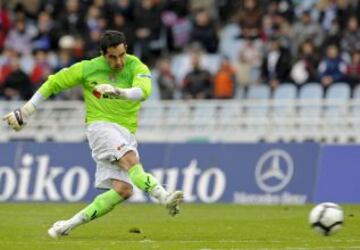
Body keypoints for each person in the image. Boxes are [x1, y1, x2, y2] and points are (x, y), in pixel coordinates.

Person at [2, 30, 183, 238]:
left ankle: (66, 226)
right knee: (130, 161)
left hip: (126, 132)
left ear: (126, 49)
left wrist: (118, 91)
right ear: (102, 54)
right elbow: (54, 82)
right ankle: (164, 196)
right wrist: (27, 110)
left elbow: (143, 92)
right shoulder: (88, 68)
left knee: (124, 189)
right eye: (112, 57)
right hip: (100, 127)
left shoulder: (137, 66)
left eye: (122, 55)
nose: (118, 61)